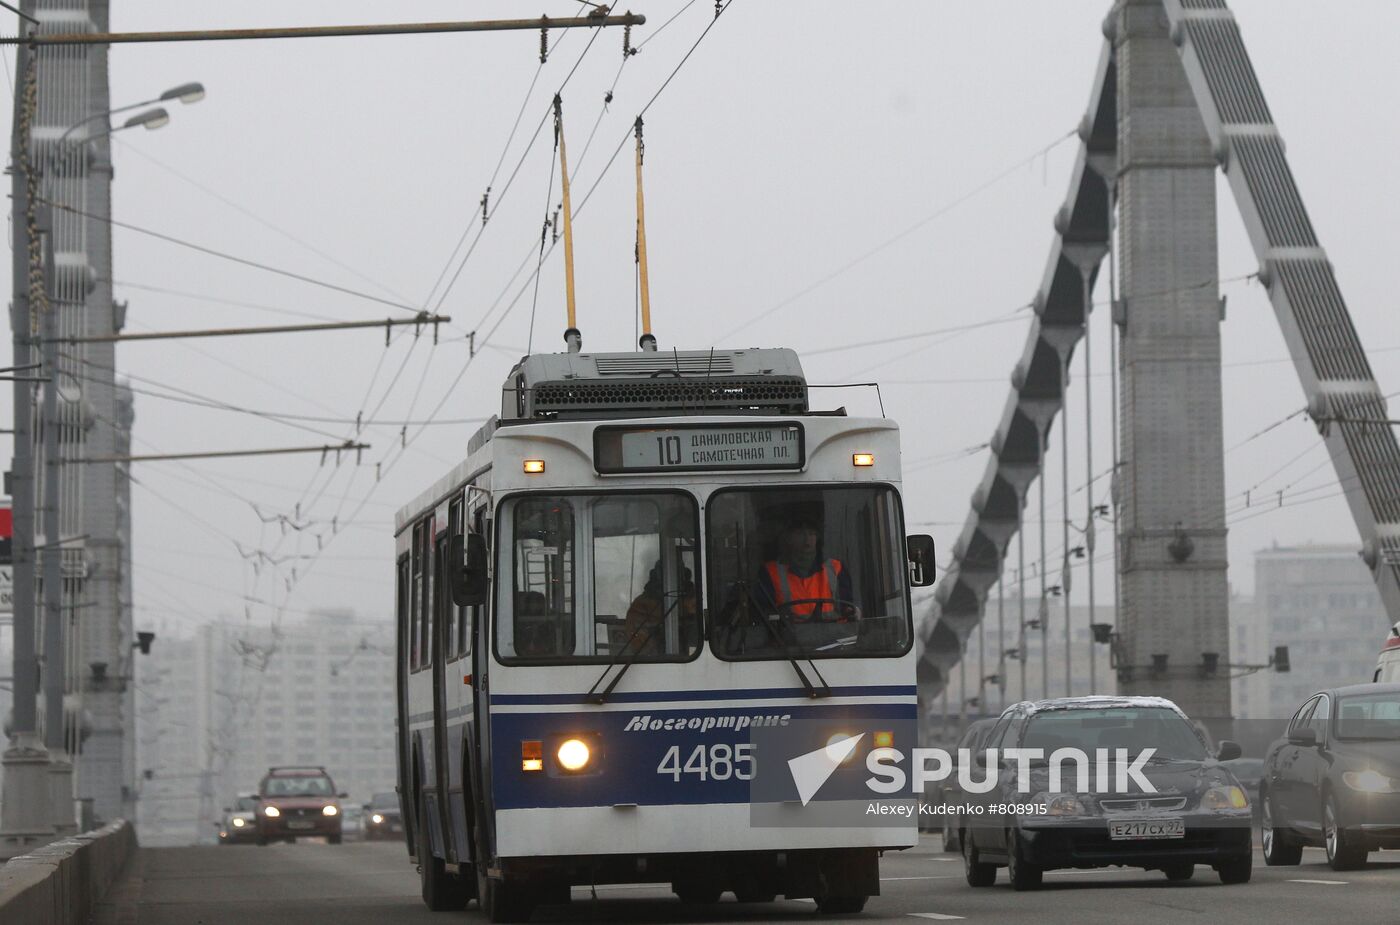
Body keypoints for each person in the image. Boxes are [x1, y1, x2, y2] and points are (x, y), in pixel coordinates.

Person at [756, 516, 855, 622]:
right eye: (800, 533)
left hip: (836, 636)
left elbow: (847, 608)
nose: (807, 539)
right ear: (789, 539)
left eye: (811, 534)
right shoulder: (770, 572)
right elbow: (763, 614)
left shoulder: (836, 569)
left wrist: (852, 612)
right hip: (788, 637)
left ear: (817, 538)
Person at [622, 563, 697, 655]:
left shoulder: (693, 601)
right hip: (653, 662)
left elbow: (700, 636)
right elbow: (638, 642)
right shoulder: (641, 605)